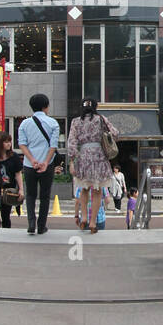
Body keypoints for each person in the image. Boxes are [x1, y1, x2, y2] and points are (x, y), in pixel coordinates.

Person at [66, 98, 116, 234]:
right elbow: (115, 133)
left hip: (83, 156)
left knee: (84, 188)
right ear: (95, 107)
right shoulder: (100, 119)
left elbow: (71, 142)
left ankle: (84, 218)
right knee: (97, 190)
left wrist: (72, 161)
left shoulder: (76, 121)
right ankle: (93, 222)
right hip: (99, 155)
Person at [14, 94, 62, 235]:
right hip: (48, 164)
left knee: (30, 195)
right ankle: (41, 226)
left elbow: (22, 144)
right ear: (45, 106)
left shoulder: (24, 123)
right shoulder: (53, 123)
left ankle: (31, 224)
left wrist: (32, 160)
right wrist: (46, 162)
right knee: (45, 196)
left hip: (29, 165)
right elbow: (53, 145)